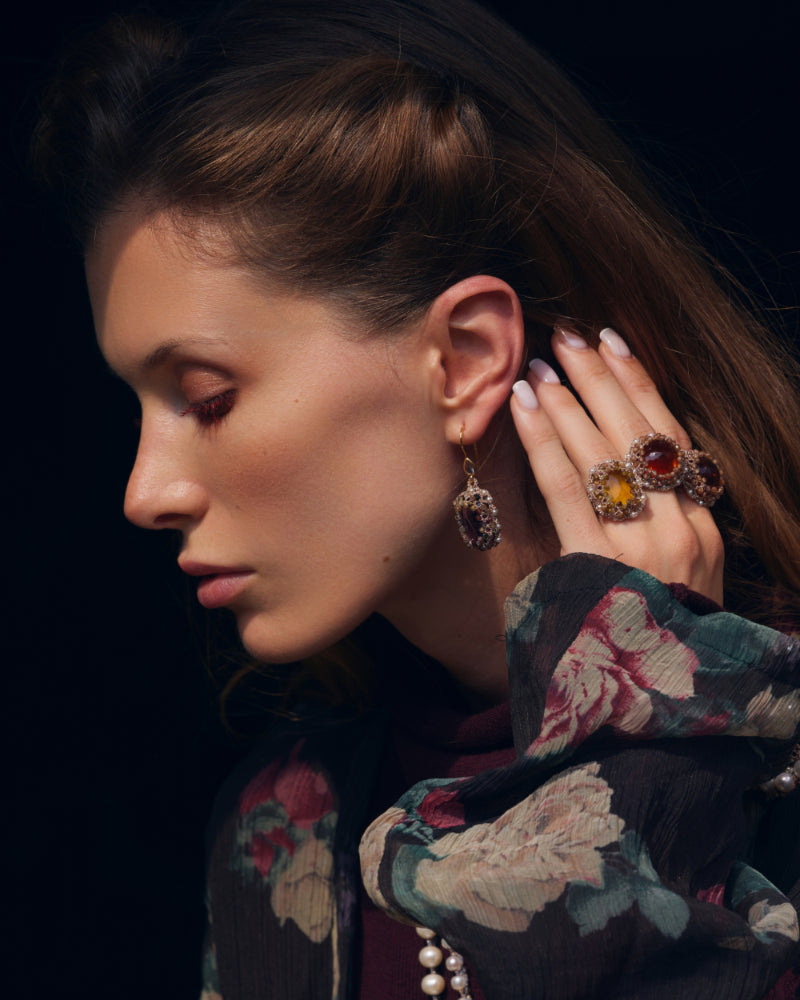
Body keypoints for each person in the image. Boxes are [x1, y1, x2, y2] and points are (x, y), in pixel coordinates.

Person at [34, 0, 800, 997]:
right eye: (135, 409)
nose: (145, 491)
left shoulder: (759, 752)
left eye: (207, 398)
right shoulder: (288, 834)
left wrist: (638, 745)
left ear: (464, 358)